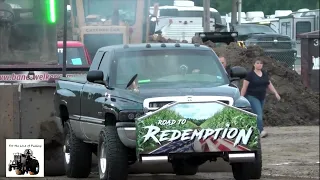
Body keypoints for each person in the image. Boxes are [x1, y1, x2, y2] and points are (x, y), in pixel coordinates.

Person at [240, 59, 281, 138]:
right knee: (259, 114)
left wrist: (276, 93)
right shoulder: (250, 75)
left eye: (261, 63)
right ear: (254, 65)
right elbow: (244, 87)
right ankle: (261, 131)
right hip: (252, 96)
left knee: (256, 114)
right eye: (257, 63)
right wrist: (241, 97)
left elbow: (269, 84)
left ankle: (252, 130)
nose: (259, 64)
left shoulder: (264, 74)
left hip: (262, 97)